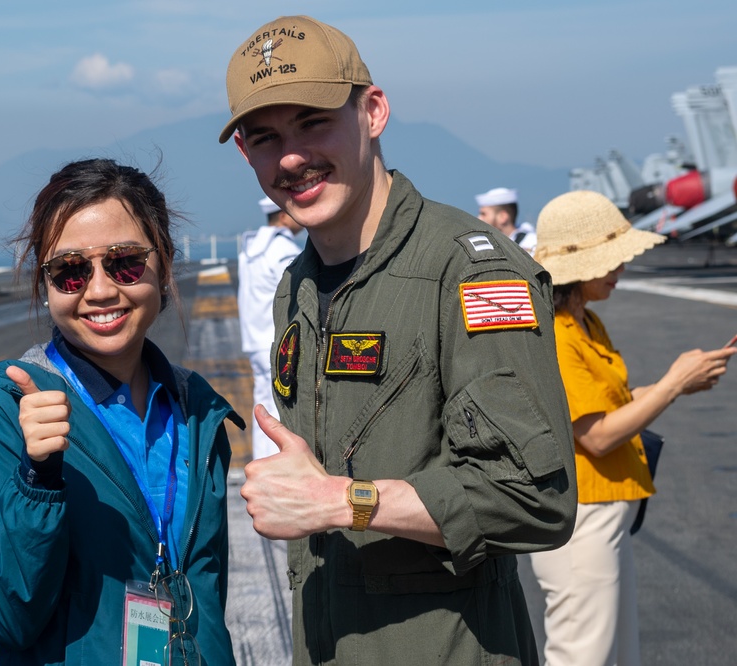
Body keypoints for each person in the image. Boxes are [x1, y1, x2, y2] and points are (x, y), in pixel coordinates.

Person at [219, 15, 577, 665]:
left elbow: (535, 499)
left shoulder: (470, 271)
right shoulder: (295, 286)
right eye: (266, 137)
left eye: (314, 121)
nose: (292, 157)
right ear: (245, 153)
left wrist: (340, 501)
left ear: (374, 111)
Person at [0, 158, 242, 665]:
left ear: (164, 261)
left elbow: (207, 596)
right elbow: (2, 619)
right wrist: (37, 480)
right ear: (45, 283)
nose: (101, 290)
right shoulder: (4, 412)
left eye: (125, 261)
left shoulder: (197, 414)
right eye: (70, 271)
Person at [527, 189, 736, 666]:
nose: (621, 268)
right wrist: (673, 384)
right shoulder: (559, 336)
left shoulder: (586, 322)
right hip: (582, 516)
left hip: (604, 511)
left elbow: (610, 406)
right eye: (611, 260)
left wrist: (675, 384)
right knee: (584, 656)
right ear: (578, 268)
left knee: (614, 654)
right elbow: (597, 436)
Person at [238, 195, 303, 460]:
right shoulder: (282, 250)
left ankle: (263, 462)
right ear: (284, 215)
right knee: (281, 407)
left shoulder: (251, 247)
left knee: (263, 405)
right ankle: (278, 463)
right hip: (278, 340)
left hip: (255, 339)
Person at [476, 187, 537, 255]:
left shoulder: (532, 244)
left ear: (503, 217)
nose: (479, 218)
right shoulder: (488, 245)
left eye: (483, 214)